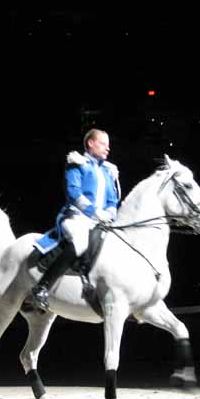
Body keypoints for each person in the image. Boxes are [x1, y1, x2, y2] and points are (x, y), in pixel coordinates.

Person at [31, 129, 121, 310]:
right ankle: (42, 287)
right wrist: (95, 212)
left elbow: (112, 200)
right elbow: (74, 193)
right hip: (76, 217)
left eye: (108, 144)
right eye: (103, 143)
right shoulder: (77, 163)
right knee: (80, 242)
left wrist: (109, 213)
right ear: (90, 143)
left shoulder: (108, 171)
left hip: (101, 221)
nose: (108, 148)